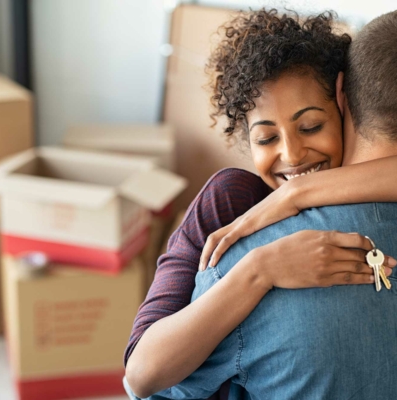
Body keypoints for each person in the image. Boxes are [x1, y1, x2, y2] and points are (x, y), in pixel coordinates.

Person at [124, 9, 397, 400]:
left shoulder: (299, 199)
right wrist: (260, 268)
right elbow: (140, 375)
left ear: (343, 103)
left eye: (311, 127)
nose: (293, 153)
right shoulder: (228, 204)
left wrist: (296, 193)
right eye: (267, 139)